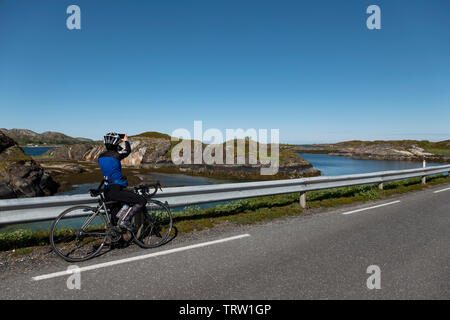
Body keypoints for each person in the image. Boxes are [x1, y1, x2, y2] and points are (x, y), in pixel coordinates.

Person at [98, 132, 147, 231]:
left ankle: (115, 239)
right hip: (116, 189)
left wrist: (116, 142)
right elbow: (127, 151)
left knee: (115, 218)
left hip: (106, 190)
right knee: (141, 200)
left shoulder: (101, 156)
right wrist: (125, 140)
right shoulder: (116, 156)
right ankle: (126, 221)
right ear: (116, 144)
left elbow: (116, 151)